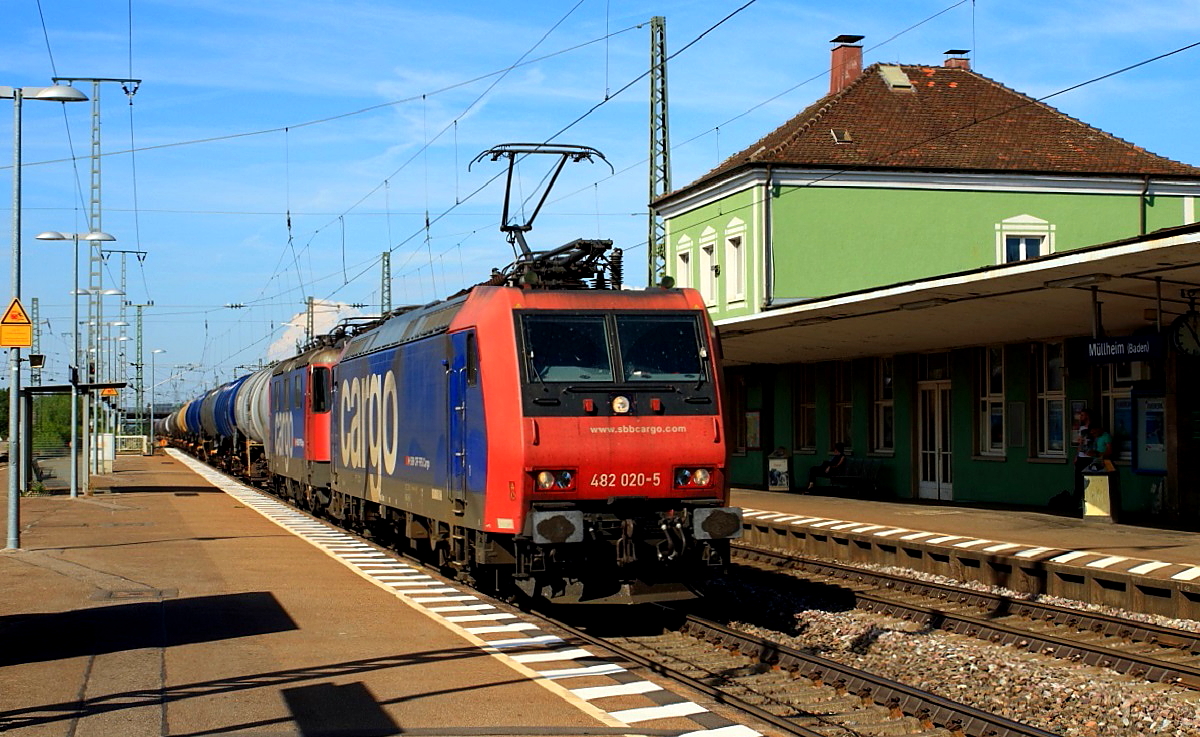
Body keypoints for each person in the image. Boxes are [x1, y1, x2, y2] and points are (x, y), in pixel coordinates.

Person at [1073, 408, 1092, 498]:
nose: (1080, 417)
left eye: (1082, 415)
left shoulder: (1093, 428)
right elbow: (1080, 443)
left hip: (1090, 456)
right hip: (1082, 455)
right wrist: (1077, 455)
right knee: (1079, 480)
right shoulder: (1081, 428)